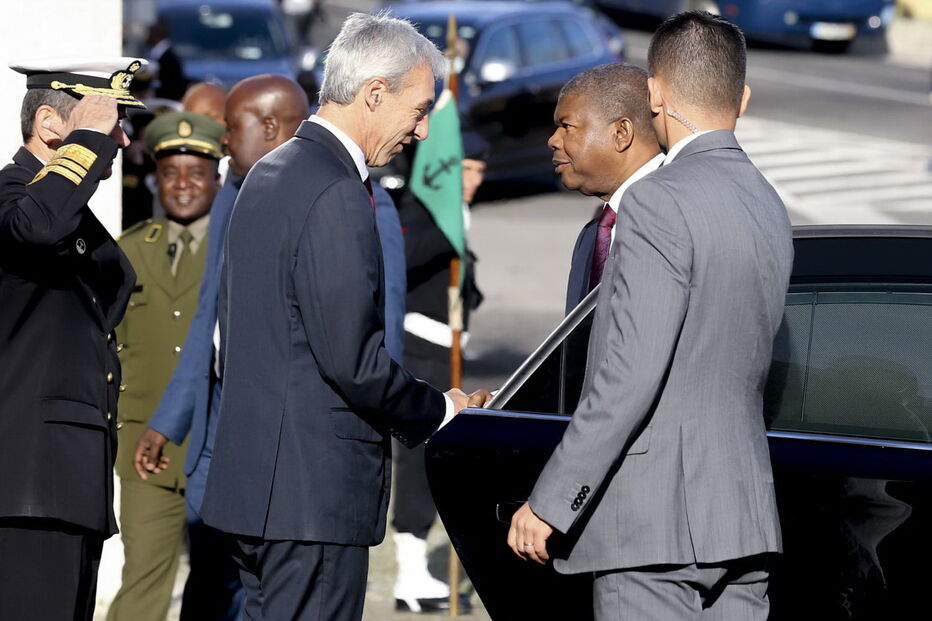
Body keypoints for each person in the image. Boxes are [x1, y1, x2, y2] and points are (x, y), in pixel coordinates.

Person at [199, 13, 487, 620]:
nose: (423, 129)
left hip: (260, 494)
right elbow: (352, 361)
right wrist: (440, 410)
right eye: (418, 109)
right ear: (374, 94)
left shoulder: (268, 175)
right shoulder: (334, 191)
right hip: (310, 500)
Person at [508, 11, 794, 621]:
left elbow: (630, 372)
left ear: (655, 93)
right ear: (741, 97)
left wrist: (554, 500)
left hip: (651, 526)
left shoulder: (656, 200)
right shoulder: (767, 200)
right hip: (742, 522)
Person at [134, 74, 309, 620]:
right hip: (217, 424)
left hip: (289, 434)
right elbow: (207, 318)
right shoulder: (232, 193)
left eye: (229, 129)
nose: (224, 143)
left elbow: (377, 322)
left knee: (266, 590)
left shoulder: (332, 195)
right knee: (209, 578)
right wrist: (170, 419)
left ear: (272, 127)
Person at [0, 57, 145, 621]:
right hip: (27, 487)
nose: (122, 139)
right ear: (49, 124)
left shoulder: (66, 213)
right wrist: (85, 139)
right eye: (110, 123)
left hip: (65, 486)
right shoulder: (16, 197)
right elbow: (35, 227)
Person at [106, 111, 223, 621]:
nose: (183, 185)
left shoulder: (237, 252)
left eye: (196, 173)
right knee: (143, 584)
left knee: (218, 588)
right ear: (156, 178)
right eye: (171, 173)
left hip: (216, 448)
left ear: (218, 177)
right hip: (141, 448)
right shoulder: (128, 251)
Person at [391, 130, 488, 613]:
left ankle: (414, 572)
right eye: (466, 168)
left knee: (430, 457)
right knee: (417, 460)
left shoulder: (456, 215)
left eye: (480, 171)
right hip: (421, 350)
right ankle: (409, 575)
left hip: (443, 349)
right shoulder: (427, 213)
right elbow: (400, 263)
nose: (474, 179)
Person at [556, 64, 664, 314]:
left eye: (567, 126)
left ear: (621, 133)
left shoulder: (674, 217)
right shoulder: (593, 234)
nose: (553, 140)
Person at [147, 18, 187, 101]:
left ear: (156, 33)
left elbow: (172, 84)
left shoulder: (170, 58)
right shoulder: (157, 54)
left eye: (150, 31)